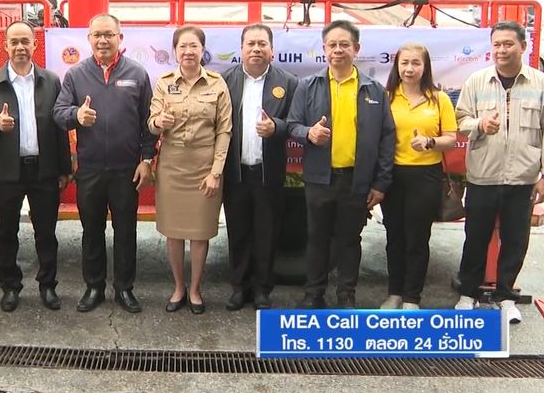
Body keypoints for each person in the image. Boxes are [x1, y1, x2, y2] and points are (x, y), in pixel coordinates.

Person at [453, 20, 544, 324]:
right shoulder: (477, 81)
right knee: (475, 238)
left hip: (522, 179)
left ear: (522, 47)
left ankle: (506, 296)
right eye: (497, 44)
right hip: (483, 176)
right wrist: (480, 124)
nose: (501, 50)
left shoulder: (542, 85)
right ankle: (468, 294)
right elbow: (460, 120)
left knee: (515, 241)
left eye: (508, 44)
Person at [287, 20, 395, 309]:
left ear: (356, 49)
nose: (338, 50)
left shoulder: (373, 90)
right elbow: (292, 125)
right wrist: (308, 133)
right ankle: (314, 294)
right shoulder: (308, 86)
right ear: (324, 49)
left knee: (349, 240)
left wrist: (381, 183)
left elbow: (387, 138)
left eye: (344, 44)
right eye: (332, 45)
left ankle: (346, 295)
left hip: (356, 180)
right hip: (319, 178)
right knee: (317, 238)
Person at [53, 13, 155, 314]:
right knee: (91, 231)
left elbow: (148, 122)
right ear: (89, 39)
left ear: (120, 38)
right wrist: (76, 116)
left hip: (126, 169)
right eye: (97, 35)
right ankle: (94, 287)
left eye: (109, 34)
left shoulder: (137, 73)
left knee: (126, 231)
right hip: (91, 169)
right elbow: (58, 112)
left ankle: (124, 288)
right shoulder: (76, 75)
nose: (103, 40)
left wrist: (146, 159)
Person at [0, 21, 72, 312]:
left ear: (35, 44)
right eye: (14, 42)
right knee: (7, 232)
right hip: (9, 171)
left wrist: (64, 168)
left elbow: (59, 127)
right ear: (6, 46)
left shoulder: (51, 81)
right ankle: (10, 286)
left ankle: (48, 285)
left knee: (46, 232)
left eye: (25, 41)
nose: (20, 47)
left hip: (44, 169)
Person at [148, 25, 231, 314]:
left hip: (204, 166)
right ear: (175, 51)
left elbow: (224, 131)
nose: (188, 51)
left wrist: (215, 172)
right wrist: (159, 122)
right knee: (173, 232)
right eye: (182, 46)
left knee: (199, 232)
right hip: (172, 166)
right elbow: (151, 122)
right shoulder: (164, 83)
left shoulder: (217, 84)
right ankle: (178, 287)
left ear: (202, 50)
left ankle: (195, 289)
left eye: (193, 46)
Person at [220, 24, 298, 311]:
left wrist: (276, 127)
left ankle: (263, 289)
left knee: (267, 232)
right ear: (241, 49)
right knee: (238, 232)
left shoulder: (288, 82)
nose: (256, 49)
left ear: (272, 50)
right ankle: (239, 288)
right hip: (235, 172)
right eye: (250, 43)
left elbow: (296, 123)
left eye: (262, 44)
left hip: (268, 173)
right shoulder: (225, 81)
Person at [380, 43, 457, 310]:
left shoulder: (439, 99)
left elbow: (451, 139)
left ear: (425, 67)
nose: (409, 69)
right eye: (404, 63)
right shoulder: (386, 97)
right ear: (397, 66)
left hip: (425, 176)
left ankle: (412, 297)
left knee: (417, 238)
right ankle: (395, 293)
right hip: (392, 175)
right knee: (394, 237)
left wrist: (429, 142)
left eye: (416, 63)